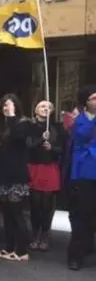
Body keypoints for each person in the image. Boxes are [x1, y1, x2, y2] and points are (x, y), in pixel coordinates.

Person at [0, 94, 32, 262]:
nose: (7, 108)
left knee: (16, 213)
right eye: (4, 105)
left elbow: (19, 137)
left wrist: (13, 116)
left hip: (16, 175)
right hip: (2, 174)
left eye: (11, 105)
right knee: (6, 214)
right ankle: (8, 248)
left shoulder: (22, 122)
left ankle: (22, 250)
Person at [67, 86, 96, 271]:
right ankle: (75, 256)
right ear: (86, 101)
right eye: (94, 97)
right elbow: (82, 138)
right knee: (82, 216)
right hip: (84, 171)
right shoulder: (78, 121)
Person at [27, 101, 62, 252]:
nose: (46, 109)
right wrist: (41, 139)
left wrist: (52, 148)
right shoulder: (29, 126)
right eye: (42, 106)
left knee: (47, 205)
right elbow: (28, 145)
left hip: (50, 168)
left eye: (49, 107)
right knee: (35, 204)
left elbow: (62, 148)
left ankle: (45, 234)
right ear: (35, 110)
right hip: (34, 167)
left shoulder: (57, 127)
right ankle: (35, 234)